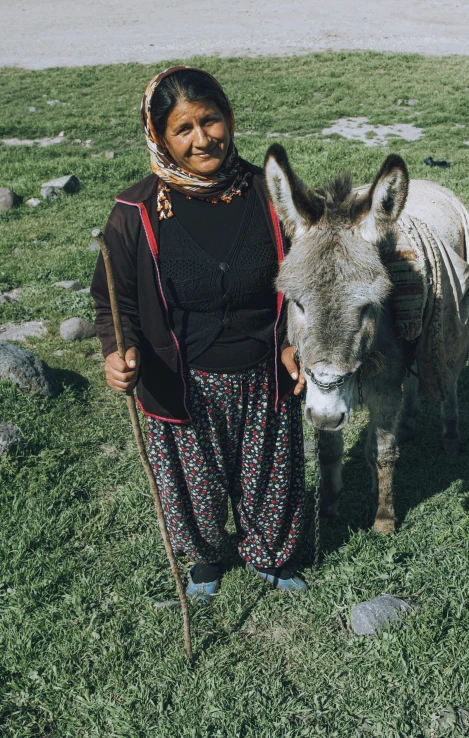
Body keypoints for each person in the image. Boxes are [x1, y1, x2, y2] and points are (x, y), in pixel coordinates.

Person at [91, 66, 307, 602]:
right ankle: (207, 558)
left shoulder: (269, 196)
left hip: (263, 370)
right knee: (194, 484)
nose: (201, 139)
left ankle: (271, 555)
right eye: (182, 129)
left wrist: (290, 341)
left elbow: (302, 280)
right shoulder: (135, 213)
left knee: (270, 474)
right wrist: (118, 352)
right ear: (159, 137)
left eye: (209, 120)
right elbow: (112, 301)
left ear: (229, 119)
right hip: (181, 378)